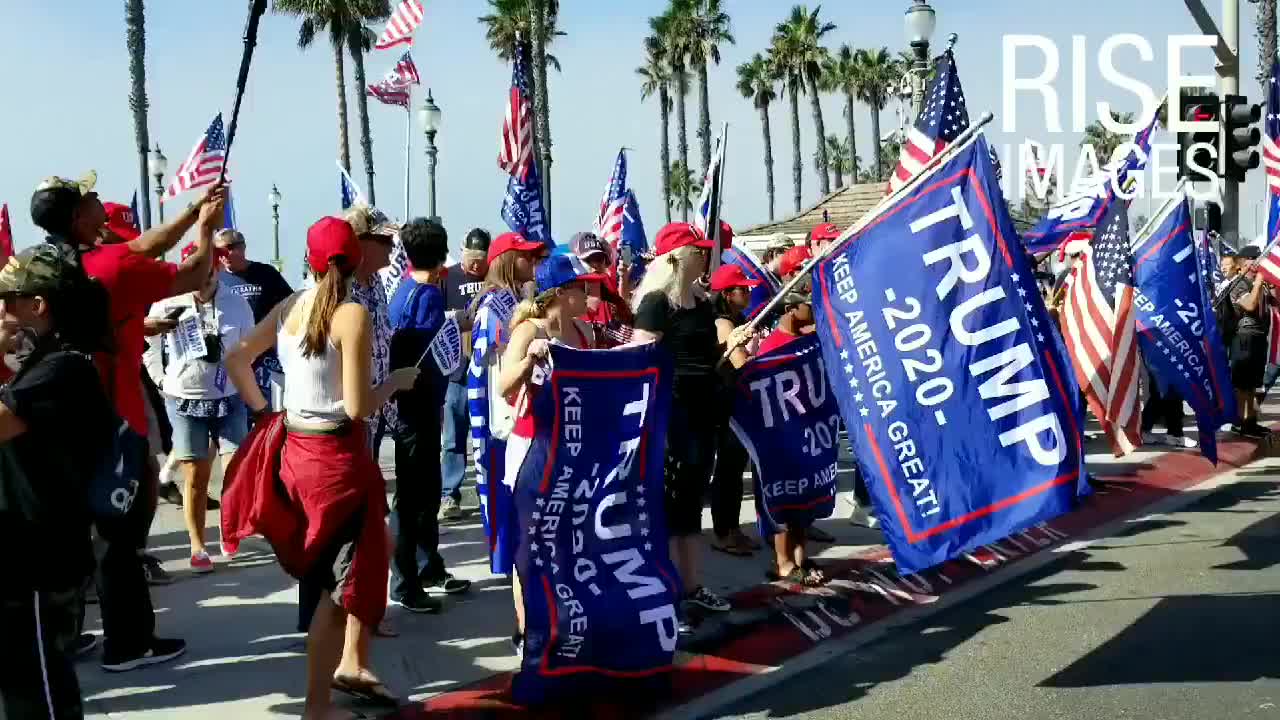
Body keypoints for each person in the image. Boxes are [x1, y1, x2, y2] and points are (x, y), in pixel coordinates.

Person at [224, 217, 418, 717]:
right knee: (338, 591)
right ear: (355, 259)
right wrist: (395, 381)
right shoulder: (351, 313)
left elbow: (238, 358)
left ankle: (337, 680)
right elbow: (358, 407)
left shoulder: (291, 305)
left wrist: (266, 410)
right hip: (339, 461)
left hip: (295, 452)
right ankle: (319, 704)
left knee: (328, 580)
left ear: (309, 259)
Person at [32, 172, 224, 671]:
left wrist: (191, 211)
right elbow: (194, 275)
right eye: (91, 199)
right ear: (78, 217)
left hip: (59, 416)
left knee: (74, 532)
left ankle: (65, 637)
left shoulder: (49, 265)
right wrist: (205, 229)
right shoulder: (113, 264)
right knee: (120, 539)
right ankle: (129, 644)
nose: (101, 202)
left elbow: (143, 244)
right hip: (113, 418)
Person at [0, 244, 116, 720]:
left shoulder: (62, 367)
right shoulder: (43, 361)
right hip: (26, 544)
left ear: (38, 305)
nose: (2, 310)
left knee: (38, 689)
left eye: (9, 299)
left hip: (37, 553)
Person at [632, 223, 748, 618]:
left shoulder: (700, 301)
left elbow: (706, 353)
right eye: (697, 250)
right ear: (676, 257)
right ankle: (665, 594)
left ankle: (692, 584)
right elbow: (639, 361)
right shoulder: (655, 303)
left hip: (702, 415)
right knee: (668, 505)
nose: (704, 255)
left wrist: (731, 343)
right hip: (670, 416)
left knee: (690, 506)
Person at [498, 253, 599, 652]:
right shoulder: (528, 329)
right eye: (581, 287)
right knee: (530, 541)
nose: (589, 293)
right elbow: (503, 387)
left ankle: (567, 619)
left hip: (572, 446)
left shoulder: (584, 332)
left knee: (570, 538)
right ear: (560, 293)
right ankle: (527, 629)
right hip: (530, 446)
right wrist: (528, 359)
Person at [144, 242, 255, 573]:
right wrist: (162, 381)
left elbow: (251, 347)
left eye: (207, 272)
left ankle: (229, 527)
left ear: (217, 269)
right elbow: (148, 346)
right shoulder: (167, 304)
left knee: (235, 469)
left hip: (230, 397)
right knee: (195, 475)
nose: (201, 279)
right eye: (193, 272)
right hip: (185, 398)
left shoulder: (237, 305)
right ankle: (197, 544)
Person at [387, 218, 473, 613]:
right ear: (442, 256)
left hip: (416, 407)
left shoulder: (405, 290)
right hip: (415, 409)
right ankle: (405, 582)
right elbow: (425, 350)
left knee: (425, 493)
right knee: (412, 497)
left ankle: (429, 567)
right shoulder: (426, 296)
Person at [467, 231, 545, 653]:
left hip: (517, 428)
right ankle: (523, 626)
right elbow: (492, 377)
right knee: (517, 532)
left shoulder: (510, 303)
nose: (533, 263)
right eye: (526, 257)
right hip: (506, 432)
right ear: (507, 260)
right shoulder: (495, 308)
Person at [707, 264, 763, 558]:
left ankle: (733, 528)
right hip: (725, 404)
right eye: (743, 288)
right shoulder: (722, 323)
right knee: (728, 471)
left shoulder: (738, 319)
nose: (749, 291)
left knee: (735, 465)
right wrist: (752, 348)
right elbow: (740, 361)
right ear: (728, 294)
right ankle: (722, 532)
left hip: (737, 402)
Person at [439, 228, 491, 520]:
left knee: (486, 434)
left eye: (480, 259)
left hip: (484, 368)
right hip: (456, 371)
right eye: (471, 258)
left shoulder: (491, 278)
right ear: (462, 253)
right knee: (452, 439)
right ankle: (450, 495)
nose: (475, 265)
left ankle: (490, 493)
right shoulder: (448, 278)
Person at [216, 229, 294, 411]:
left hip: (266, 358)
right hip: (233, 357)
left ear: (242, 247)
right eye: (217, 252)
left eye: (228, 249)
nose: (223, 256)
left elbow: (290, 305)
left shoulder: (266, 273)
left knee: (269, 410)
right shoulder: (217, 279)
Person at [1226, 246, 1271, 438]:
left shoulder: (1259, 284)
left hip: (1259, 337)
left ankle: (1251, 421)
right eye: (1252, 258)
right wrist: (1259, 282)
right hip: (1244, 337)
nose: (1256, 262)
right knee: (1242, 384)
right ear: (1243, 262)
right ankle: (1240, 422)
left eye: (1258, 258)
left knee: (1252, 384)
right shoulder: (1239, 284)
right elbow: (1250, 305)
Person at [571, 231, 635, 347]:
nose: (595, 264)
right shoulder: (568, 300)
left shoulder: (615, 303)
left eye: (599, 258)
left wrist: (623, 278)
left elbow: (628, 344)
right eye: (588, 259)